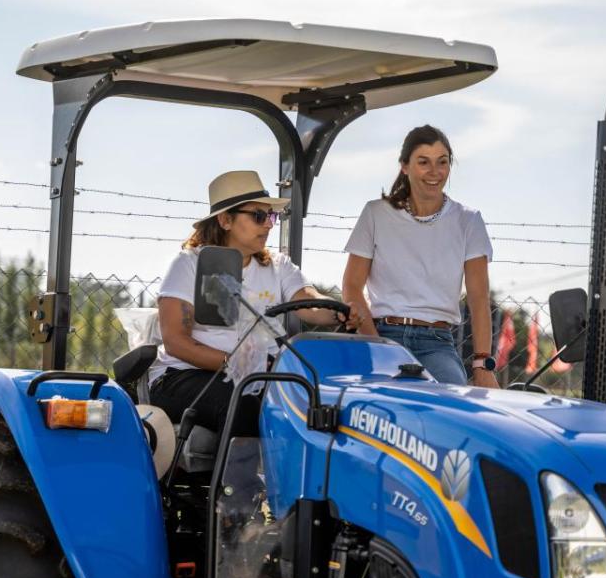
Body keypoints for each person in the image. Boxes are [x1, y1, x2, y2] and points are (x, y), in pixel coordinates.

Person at [152, 170, 357, 436]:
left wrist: (339, 312)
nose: (269, 225)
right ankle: (243, 479)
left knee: (327, 403)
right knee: (245, 403)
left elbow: (309, 300)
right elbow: (176, 341)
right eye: (259, 216)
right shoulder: (189, 264)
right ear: (226, 220)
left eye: (270, 216)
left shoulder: (278, 265)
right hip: (185, 375)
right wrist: (238, 364)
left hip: (263, 375)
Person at [342, 125, 498, 387]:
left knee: (450, 400)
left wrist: (483, 364)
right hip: (382, 334)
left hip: (436, 341)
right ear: (405, 166)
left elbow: (478, 297)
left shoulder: (468, 220)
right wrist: (375, 344)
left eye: (442, 162)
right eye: (423, 162)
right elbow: (352, 287)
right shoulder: (375, 213)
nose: (434, 172)